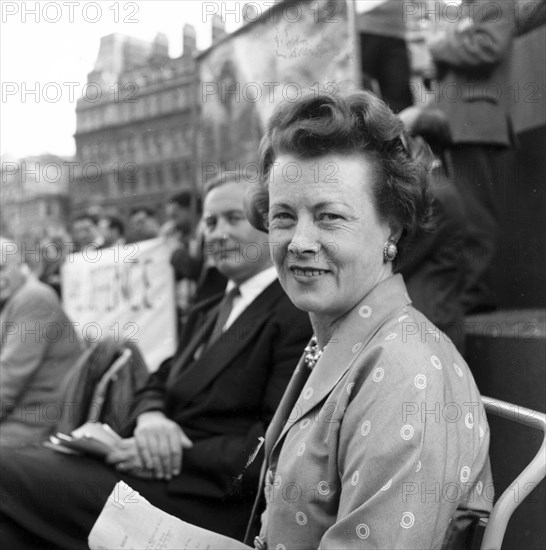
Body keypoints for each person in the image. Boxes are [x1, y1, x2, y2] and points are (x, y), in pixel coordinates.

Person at [0, 176, 312, 548]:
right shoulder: (211, 307)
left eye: (233, 218)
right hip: (144, 468)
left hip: (201, 497)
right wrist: (151, 417)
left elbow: (269, 447)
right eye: (210, 222)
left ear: (270, 225)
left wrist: (162, 452)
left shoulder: (296, 313)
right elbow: (159, 379)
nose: (218, 234)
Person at [244, 91, 492, 549]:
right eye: (283, 216)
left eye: (329, 217)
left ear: (392, 227)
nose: (298, 241)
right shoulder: (338, 334)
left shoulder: (405, 372)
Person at [425, 0, 517, 313]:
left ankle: (476, 294)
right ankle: (468, 291)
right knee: (462, 213)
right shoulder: (465, 9)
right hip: (455, 125)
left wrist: (439, 46)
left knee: (474, 215)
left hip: (476, 124)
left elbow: (490, 47)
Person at [397, 105, 467, 352]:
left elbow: (400, 260)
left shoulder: (434, 194)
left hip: (428, 328)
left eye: (401, 140)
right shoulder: (436, 188)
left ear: (419, 143)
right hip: (427, 324)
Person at [0, 237, 83, 446]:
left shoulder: (34, 298)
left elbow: (9, 378)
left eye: (2, 268)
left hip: (33, 424)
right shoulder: (14, 298)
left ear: (21, 265)